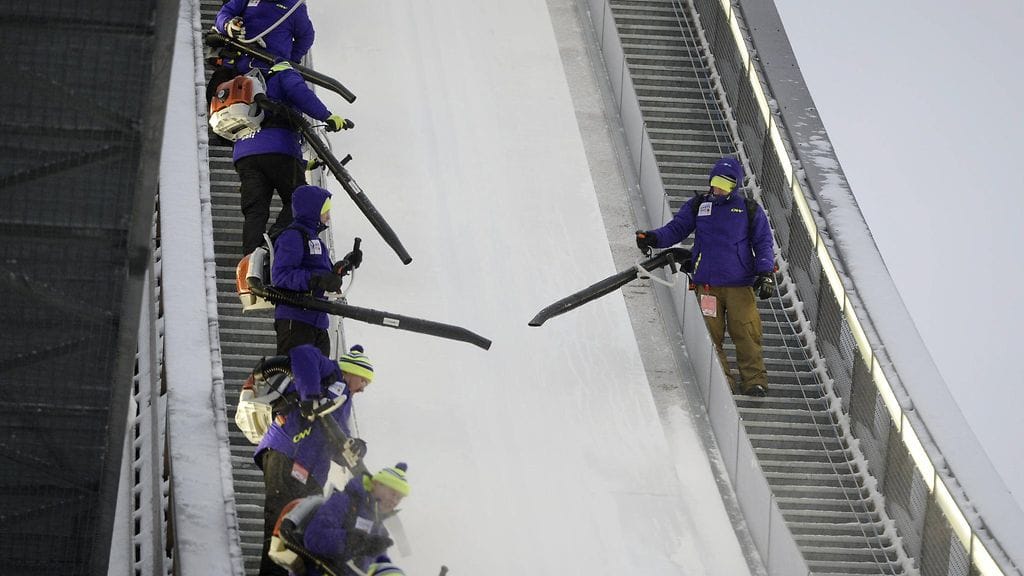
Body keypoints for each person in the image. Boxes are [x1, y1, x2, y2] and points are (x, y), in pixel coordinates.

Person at [635, 156, 775, 396]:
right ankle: (723, 383)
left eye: (726, 183)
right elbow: (676, 229)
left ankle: (754, 381)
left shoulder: (748, 210)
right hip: (707, 285)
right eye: (716, 181)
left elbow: (763, 242)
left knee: (747, 332)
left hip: (739, 285)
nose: (719, 187)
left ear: (735, 186)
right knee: (711, 337)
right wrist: (653, 238)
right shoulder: (698, 206)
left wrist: (765, 273)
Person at [254, 343, 375, 576]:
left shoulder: (343, 403)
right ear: (354, 372)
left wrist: (355, 447)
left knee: (304, 530)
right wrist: (310, 396)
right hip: (289, 451)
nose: (363, 389)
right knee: (281, 521)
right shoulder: (330, 372)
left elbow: (337, 440)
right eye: (364, 382)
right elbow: (302, 353)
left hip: (310, 472)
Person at [232, 62, 352, 260]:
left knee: (255, 211)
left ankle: (250, 263)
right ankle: (272, 245)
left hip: (245, 153)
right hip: (279, 148)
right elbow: (300, 93)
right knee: (299, 201)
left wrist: (304, 165)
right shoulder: (285, 74)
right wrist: (328, 116)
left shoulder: (253, 83)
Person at [271, 184, 362, 355]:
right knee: (295, 377)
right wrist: (316, 279)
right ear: (311, 210)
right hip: (296, 319)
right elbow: (281, 275)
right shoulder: (293, 236)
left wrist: (347, 264)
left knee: (320, 379)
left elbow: (324, 274)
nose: (328, 216)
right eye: (324, 210)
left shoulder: (315, 240)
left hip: (318, 320)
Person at [301, 463, 411, 576]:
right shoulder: (344, 502)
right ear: (376, 484)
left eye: (399, 498)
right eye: (393, 494)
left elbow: (376, 569)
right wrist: (352, 542)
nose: (394, 501)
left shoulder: (380, 531)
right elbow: (313, 538)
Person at [207, 0, 315, 105]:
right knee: (215, 96)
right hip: (235, 65)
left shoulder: (295, 7)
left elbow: (306, 37)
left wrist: (289, 61)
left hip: (269, 73)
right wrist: (228, 26)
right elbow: (225, 13)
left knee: (273, 112)